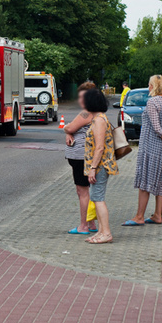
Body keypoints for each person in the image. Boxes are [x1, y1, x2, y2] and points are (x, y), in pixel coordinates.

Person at [125, 75, 162, 226]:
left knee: (144, 183)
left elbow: (156, 127)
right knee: (161, 182)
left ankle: (139, 216)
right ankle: (157, 215)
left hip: (150, 147)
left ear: (152, 87)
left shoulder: (152, 102)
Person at [80, 88, 119, 244]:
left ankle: (106, 233)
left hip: (100, 165)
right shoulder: (99, 118)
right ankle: (101, 232)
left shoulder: (99, 120)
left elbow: (100, 147)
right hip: (100, 165)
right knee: (96, 198)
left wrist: (93, 168)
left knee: (98, 198)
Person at [63, 82, 99, 235]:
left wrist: (68, 131)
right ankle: (90, 223)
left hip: (81, 157)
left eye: (83, 97)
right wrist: (70, 132)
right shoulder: (95, 112)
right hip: (83, 156)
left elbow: (69, 127)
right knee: (85, 191)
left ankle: (83, 225)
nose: (80, 100)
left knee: (82, 191)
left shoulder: (86, 113)